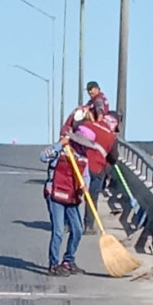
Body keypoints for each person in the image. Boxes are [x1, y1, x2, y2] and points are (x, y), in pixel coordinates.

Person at [40, 109, 92, 276]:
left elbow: (86, 175)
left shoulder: (84, 157)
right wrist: (59, 145)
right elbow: (42, 157)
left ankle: (68, 260)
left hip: (72, 196)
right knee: (58, 230)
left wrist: (85, 186)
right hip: (55, 193)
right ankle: (53, 265)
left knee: (77, 229)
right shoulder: (62, 150)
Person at [75, 112, 119, 234]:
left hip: (80, 164)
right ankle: (88, 225)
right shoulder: (111, 137)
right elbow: (114, 157)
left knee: (75, 192)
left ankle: (69, 223)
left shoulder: (89, 125)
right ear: (114, 123)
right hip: (97, 169)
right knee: (92, 197)